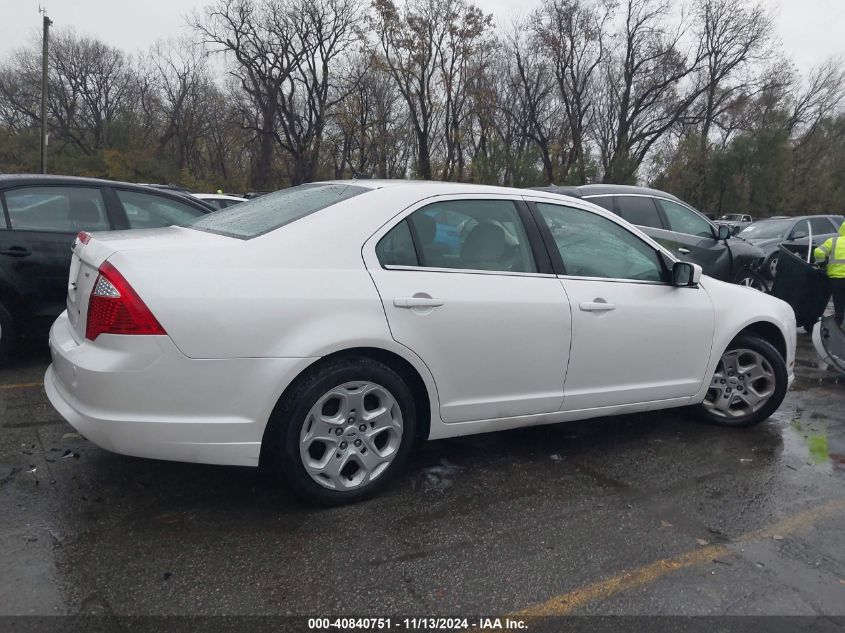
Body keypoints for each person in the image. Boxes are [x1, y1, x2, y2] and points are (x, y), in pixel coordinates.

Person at [814, 220, 845, 326]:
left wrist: (822, 264)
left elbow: (818, 251)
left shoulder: (833, 241)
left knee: (839, 303)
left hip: (836, 279)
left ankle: (838, 326)